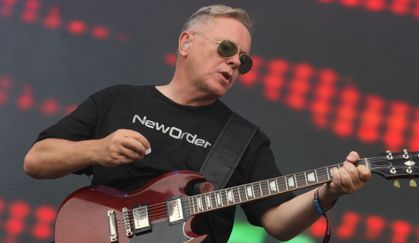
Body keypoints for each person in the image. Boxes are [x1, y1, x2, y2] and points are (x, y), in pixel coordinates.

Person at [23, 4, 371, 243]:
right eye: (226, 48)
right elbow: (37, 161)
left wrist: (329, 192)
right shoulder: (119, 99)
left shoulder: (243, 139)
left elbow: (277, 222)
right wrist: (99, 148)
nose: (235, 62)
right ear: (186, 42)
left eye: (244, 60)